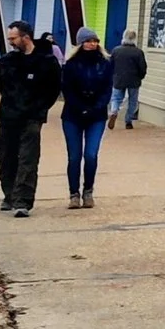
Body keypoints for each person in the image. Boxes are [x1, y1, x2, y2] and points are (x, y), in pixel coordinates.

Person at [0, 21, 59, 217]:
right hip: (8, 117)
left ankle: (23, 200)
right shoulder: (6, 61)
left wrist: (38, 109)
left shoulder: (46, 61)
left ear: (26, 37)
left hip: (31, 118)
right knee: (5, 157)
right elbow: (1, 86)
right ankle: (9, 195)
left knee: (28, 159)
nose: (10, 42)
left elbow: (53, 90)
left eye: (13, 39)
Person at [59, 29, 113, 208]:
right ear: (81, 43)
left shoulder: (104, 63)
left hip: (96, 115)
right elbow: (67, 89)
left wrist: (95, 107)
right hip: (73, 115)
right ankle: (73, 193)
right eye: (89, 41)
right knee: (74, 156)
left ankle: (88, 190)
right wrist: (80, 107)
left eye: (95, 40)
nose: (93, 43)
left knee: (90, 154)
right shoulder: (71, 64)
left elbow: (107, 89)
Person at [108, 30, 147, 129]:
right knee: (132, 101)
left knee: (116, 98)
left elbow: (110, 65)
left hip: (118, 78)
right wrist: (140, 77)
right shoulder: (138, 52)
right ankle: (128, 121)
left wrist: (112, 76)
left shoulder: (116, 50)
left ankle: (114, 111)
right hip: (134, 80)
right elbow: (143, 67)